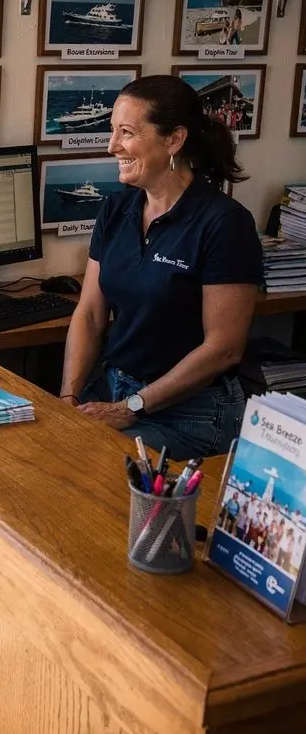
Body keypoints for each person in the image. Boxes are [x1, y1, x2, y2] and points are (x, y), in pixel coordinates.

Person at [60, 74, 263, 460]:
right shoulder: (117, 209)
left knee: (92, 467)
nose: (112, 146)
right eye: (112, 131)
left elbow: (223, 350)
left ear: (174, 139)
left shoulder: (224, 223)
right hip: (114, 390)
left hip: (191, 412)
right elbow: (88, 314)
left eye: (127, 133)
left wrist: (130, 407)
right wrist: (68, 397)